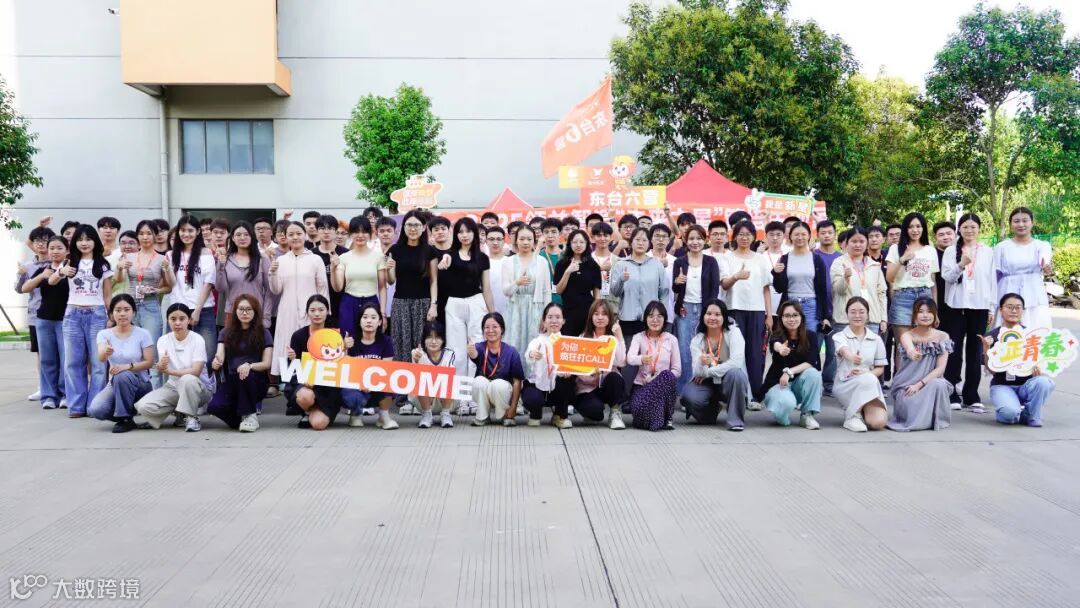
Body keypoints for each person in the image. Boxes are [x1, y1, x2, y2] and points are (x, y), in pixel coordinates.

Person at [940, 213, 995, 412]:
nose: (969, 230)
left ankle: (971, 394)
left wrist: (991, 307)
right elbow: (947, 276)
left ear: (979, 229)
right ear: (959, 229)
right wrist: (961, 264)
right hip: (956, 306)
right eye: (965, 227)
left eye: (973, 227)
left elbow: (992, 281)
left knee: (975, 351)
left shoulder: (987, 252)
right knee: (953, 351)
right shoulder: (950, 251)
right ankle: (951, 392)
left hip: (979, 306)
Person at [60, 224, 114, 417]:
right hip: (72, 314)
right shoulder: (69, 262)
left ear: (95, 241)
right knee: (73, 362)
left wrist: (111, 317)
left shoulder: (103, 264)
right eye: (80, 239)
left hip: (97, 314)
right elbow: (51, 281)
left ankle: (94, 406)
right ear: (75, 242)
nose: (84, 243)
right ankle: (76, 406)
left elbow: (107, 294)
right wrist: (61, 272)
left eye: (88, 239)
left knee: (98, 363)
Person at [135, 303, 215, 432]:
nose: (177, 323)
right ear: (168, 320)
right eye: (173, 319)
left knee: (187, 379)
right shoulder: (163, 340)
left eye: (182, 319)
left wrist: (170, 371)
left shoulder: (197, 339)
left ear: (189, 320)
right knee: (143, 406)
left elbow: (196, 371)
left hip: (199, 388)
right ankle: (181, 414)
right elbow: (162, 365)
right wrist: (161, 366)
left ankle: (191, 417)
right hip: (173, 387)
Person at [983, 293, 1055, 426]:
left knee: (1043, 382)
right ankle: (1009, 411)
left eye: (1018, 307)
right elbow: (992, 370)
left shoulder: (1032, 335)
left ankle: (1031, 415)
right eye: (1009, 307)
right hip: (1003, 385)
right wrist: (986, 350)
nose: (1014, 311)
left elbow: (1042, 360)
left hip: (1026, 385)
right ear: (1001, 310)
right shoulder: (992, 336)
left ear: (1023, 310)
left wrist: (1039, 369)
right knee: (1009, 414)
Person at [269, 221, 329, 378]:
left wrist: (323, 312)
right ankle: (287, 379)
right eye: (291, 234)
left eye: (298, 233)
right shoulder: (281, 260)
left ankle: (312, 378)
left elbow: (322, 288)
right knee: (287, 342)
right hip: (287, 309)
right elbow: (276, 289)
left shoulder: (315, 259)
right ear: (285, 237)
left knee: (310, 342)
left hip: (311, 310)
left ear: (305, 235)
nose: (295, 237)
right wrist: (273, 273)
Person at [680, 299, 751, 430]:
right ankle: (710, 413)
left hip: (728, 380)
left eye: (717, 314)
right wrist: (701, 363)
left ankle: (735, 421)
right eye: (709, 314)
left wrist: (707, 372)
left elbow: (736, 362)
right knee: (688, 396)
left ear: (724, 317)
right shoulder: (697, 340)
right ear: (703, 316)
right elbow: (696, 372)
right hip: (706, 383)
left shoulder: (734, 333)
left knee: (737, 374)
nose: (712, 318)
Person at [440, 218, 495, 386]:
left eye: (468, 231)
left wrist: (492, 314)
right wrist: (443, 263)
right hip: (454, 304)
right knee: (455, 348)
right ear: (455, 235)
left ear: (475, 233)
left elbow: (486, 287)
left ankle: (475, 388)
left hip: (476, 302)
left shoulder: (483, 258)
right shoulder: (449, 255)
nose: (464, 235)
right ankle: (458, 390)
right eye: (461, 232)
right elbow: (443, 265)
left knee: (476, 345)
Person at [88, 294, 154, 432]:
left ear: (133, 312)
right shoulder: (104, 334)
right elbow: (101, 358)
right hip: (115, 382)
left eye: (126, 309)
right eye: (118, 310)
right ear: (111, 314)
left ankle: (124, 419)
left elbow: (149, 362)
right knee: (96, 410)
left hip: (140, 383)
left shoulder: (143, 333)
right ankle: (127, 414)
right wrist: (106, 351)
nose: (122, 314)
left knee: (123, 375)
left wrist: (127, 367)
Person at [721, 220, 771, 402]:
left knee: (755, 353)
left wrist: (769, 315)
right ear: (734, 236)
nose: (744, 238)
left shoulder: (760, 258)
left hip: (757, 311)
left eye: (748, 234)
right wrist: (736, 276)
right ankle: (737, 394)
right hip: (734, 309)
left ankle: (755, 395)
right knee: (735, 352)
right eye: (740, 234)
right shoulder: (727, 257)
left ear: (753, 237)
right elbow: (724, 284)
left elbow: (766, 288)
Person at [208, 295, 273, 432]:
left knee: (245, 374)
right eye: (241, 309)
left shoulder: (264, 332)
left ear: (255, 312)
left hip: (255, 379)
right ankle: (243, 416)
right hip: (233, 380)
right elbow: (219, 355)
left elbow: (267, 363)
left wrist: (249, 365)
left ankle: (250, 416)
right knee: (214, 406)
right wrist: (216, 362)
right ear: (235, 311)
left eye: (249, 309)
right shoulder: (225, 332)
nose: (244, 313)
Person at [285, 295, 352, 430]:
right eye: (313, 310)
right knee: (305, 396)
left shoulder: (336, 335)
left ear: (327, 311)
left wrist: (345, 349)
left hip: (328, 388)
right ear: (307, 312)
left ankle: (316, 412)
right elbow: (292, 369)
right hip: (305, 384)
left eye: (321, 310)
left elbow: (342, 368)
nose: (317, 314)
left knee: (318, 424)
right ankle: (306, 411)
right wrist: (292, 359)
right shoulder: (298, 336)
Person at [887, 298, 954, 431]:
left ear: (935, 315)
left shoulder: (943, 337)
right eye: (920, 311)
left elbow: (941, 368)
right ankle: (923, 420)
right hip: (907, 386)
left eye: (929, 312)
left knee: (939, 384)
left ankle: (933, 420)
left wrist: (919, 385)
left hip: (927, 384)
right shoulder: (907, 335)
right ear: (914, 315)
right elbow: (909, 347)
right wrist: (912, 352)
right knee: (912, 402)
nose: (925, 315)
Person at [672, 225, 721, 396]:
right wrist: (677, 282)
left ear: (705, 240)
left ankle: (704, 389)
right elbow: (675, 289)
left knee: (705, 349)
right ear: (686, 241)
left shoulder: (711, 261)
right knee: (685, 351)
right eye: (691, 238)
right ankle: (685, 391)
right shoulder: (679, 262)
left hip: (705, 309)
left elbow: (715, 288)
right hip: (685, 309)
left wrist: (709, 311)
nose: (695, 242)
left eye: (699, 238)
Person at [22, 236, 69, 409]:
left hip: (65, 320)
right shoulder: (44, 269)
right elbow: (25, 288)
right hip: (44, 320)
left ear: (67, 250)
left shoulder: (72, 269)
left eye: (59, 248)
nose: (55, 251)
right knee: (47, 360)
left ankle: (65, 394)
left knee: (65, 359)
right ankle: (49, 396)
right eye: (52, 248)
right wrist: (42, 275)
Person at [126, 220, 174, 385]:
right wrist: (120, 268)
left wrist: (156, 290)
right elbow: (119, 279)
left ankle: (154, 395)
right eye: (141, 233)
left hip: (150, 305)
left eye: (149, 233)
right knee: (132, 353)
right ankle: (135, 393)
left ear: (155, 236)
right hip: (130, 307)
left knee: (152, 355)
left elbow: (169, 286)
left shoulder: (162, 259)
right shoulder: (129, 257)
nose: (145, 237)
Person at [387, 210, 437, 367]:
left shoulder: (429, 251)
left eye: (417, 225)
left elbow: (434, 281)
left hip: (423, 304)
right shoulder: (395, 250)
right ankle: (401, 380)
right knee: (400, 343)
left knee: (421, 344)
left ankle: (421, 380)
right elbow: (391, 281)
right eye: (409, 225)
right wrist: (389, 268)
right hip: (400, 303)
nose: (413, 228)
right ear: (403, 227)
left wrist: (433, 305)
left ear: (424, 227)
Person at [762, 301, 823, 429]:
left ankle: (807, 415)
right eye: (787, 316)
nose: (791, 319)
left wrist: (789, 372)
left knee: (813, 374)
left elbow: (812, 362)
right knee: (786, 405)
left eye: (795, 315)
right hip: (778, 385)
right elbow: (775, 344)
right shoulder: (777, 335)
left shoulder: (810, 336)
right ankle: (781, 414)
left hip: (796, 384)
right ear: (781, 318)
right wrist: (780, 348)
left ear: (801, 317)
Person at [833, 297, 889, 432]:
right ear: (847, 314)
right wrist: (851, 357)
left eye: (861, 312)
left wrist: (867, 374)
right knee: (868, 379)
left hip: (868, 384)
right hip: (846, 383)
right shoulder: (839, 336)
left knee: (878, 423)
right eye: (853, 312)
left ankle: (862, 411)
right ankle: (852, 416)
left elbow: (880, 368)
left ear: (867, 314)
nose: (857, 315)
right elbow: (843, 349)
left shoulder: (876, 339)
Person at [168, 215, 218, 364]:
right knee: (181, 354)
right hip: (178, 309)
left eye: (190, 230)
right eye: (182, 230)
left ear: (198, 232)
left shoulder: (206, 253)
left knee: (208, 353)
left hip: (203, 309)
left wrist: (197, 310)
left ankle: (207, 380)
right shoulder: (170, 255)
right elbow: (170, 283)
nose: (186, 234)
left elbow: (208, 283)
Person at [993, 207, 1053, 329]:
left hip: (1034, 293)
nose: (1021, 224)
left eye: (1025, 220)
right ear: (1010, 224)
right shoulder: (1001, 247)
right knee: (1007, 333)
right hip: (1007, 292)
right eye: (1016, 221)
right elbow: (995, 275)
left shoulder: (1041, 245)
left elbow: (1045, 261)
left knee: (1036, 330)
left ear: (1032, 222)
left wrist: (1046, 267)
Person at [886, 212, 938, 347]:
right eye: (911, 227)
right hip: (903, 297)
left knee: (922, 346)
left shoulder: (930, 250)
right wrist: (903, 259)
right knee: (903, 347)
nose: (915, 230)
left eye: (918, 226)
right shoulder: (896, 248)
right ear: (905, 229)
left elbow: (933, 282)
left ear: (923, 228)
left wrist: (935, 310)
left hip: (925, 297)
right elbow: (889, 277)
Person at [625, 301, 680, 431]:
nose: (655, 320)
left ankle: (663, 419)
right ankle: (656, 420)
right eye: (651, 316)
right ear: (645, 319)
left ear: (665, 319)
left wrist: (657, 378)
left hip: (663, 384)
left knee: (668, 376)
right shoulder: (638, 337)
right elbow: (630, 359)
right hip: (642, 386)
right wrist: (641, 359)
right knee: (638, 408)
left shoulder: (671, 339)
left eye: (659, 316)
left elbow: (677, 370)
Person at [522, 303, 578, 428]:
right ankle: (535, 414)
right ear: (544, 321)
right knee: (532, 398)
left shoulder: (568, 343)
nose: (554, 321)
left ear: (563, 321)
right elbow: (528, 356)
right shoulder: (537, 341)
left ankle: (560, 416)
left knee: (567, 380)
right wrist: (532, 354)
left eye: (558, 317)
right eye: (550, 317)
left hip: (557, 387)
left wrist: (567, 371)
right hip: (538, 385)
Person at [573, 300, 627, 428]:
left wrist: (619, 337)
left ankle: (615, 412)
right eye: (596, 314)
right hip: (588, 387)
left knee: (615, 378)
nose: (600, 317)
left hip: (607, 384)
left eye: (604, 314)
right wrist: (591, 372)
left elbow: (621, 362)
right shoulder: (583, 338)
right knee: (594, 412)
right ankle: (591, 413)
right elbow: (578, 370)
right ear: (591, 317)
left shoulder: (613, 338)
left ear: (610, 317)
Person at [343, 303, 399, 430]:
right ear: (359, 321)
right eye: (365, 317)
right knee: (348, 389)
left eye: (373, 317)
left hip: (377, 383)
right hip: (357, 386)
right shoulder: (351, 341)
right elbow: (345, 370)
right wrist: (344, 349)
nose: (369, 321)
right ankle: (355, 414)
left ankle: (384, 416)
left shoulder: (386, 341)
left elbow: (386, 368)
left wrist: (371, 382)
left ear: (380, 322)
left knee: (391, 380)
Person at [771, 221, 831, 334]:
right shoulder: (784, 259)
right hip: (790, 304)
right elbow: (779, 288)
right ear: (790, 236)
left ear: (809, 236)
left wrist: (825, 316)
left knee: (810, 338)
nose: (800, 237)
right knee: (790, 338)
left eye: (803, 234)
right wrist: (776, 273)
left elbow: (822, 289)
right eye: (796, 234)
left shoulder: (817, 259)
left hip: (811, 305)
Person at [331, 215, 387, 338]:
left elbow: (382, 287)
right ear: (351, 234)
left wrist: (382, 312)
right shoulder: (343, 257)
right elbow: (338, 287)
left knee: (371, 339)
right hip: (349, 302)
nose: (360, 235)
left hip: (371, 302)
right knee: (348, 339)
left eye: (364, 232)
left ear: (370, 234)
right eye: (356, 232)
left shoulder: (379, 257)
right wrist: (333, 268)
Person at [501, 225, 552, 354]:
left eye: (529, 239)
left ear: (534, 241)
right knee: (514, 345)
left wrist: (546, 317)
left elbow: (546, 292)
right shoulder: (508, 261)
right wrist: (516, 283)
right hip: (515, 309)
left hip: (536, 308)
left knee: (535, 346)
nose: (525, 242)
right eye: (522, 239)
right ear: (516, 240)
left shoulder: (542, 261)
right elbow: (506, 291)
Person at [468, 312, 525, 426]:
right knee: (478, 381)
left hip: (503, 393)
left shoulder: (511, 351)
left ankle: (506, 415)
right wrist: (471, 352)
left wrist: (513, 407)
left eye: (495, 326)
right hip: (486, 391)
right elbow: (475, 355)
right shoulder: (479, 347)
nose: (490, 330)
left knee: (497, 384)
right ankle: (483, 416)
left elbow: (517, 382)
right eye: (486, 327)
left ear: (502, 329)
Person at [831, 227, 887, 340]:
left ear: (867, 243)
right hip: (845, 320)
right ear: (847, 243)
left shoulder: (874, 265)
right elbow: (838, 290)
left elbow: (881, 293)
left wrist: (883, 319)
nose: (858, 245)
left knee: (869, 351)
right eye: (854, 241)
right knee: (845, 351)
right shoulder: (839, 263)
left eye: (861, 241)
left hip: (871, 320)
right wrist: (845, 278)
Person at [215, 221, 271, 329]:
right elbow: (221, 288)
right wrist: (220, 266)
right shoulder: (225, 259)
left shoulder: (262, 259)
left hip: (256, 312)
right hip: (233, 313)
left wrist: (266, 316)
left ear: (252, 237)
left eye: (246, 234)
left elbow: (269, 291)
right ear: (232, 238)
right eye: (238, 235)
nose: (242, 238)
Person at [553, 229, 601, 337]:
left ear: (586, 244)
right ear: (569, 244)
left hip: (587, 312)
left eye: (581, 242)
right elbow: (559, 290)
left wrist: (596, 313)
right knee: (569, 342)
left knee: (587, 342)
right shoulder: (561, 264)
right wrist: (568, 272)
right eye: (575, 242)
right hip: (568, 311)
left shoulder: (593, 266)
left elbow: (597, 295)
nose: (578, 245)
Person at [409, 321, 457, 428]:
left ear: (443, 340)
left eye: (438, 337)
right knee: (420, 377)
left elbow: (448, 374)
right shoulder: (417, 353)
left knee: (449, 376)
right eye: (429, 337)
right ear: (424, 340)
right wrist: (416, 361)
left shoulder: (450, 353)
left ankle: (445, 414)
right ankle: (426, 415)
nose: (434, 341)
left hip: (445, 400)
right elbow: (414, 380)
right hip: (423, 401)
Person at [313, 214, 351, 321]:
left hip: (342, 305)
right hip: (317, 307)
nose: (326, 232)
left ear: (335, 231)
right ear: (317, 231)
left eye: (330, 228)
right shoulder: (311, 255)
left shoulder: (346, 254)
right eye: (322, 228)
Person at [484, 226, 509, 315]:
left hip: (509, 311)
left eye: (499, 239)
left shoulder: (510, 262)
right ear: (486, 241)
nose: (495, 242)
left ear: (504, 241)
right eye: (491, 239)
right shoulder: (482, 262)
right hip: (486, 312)